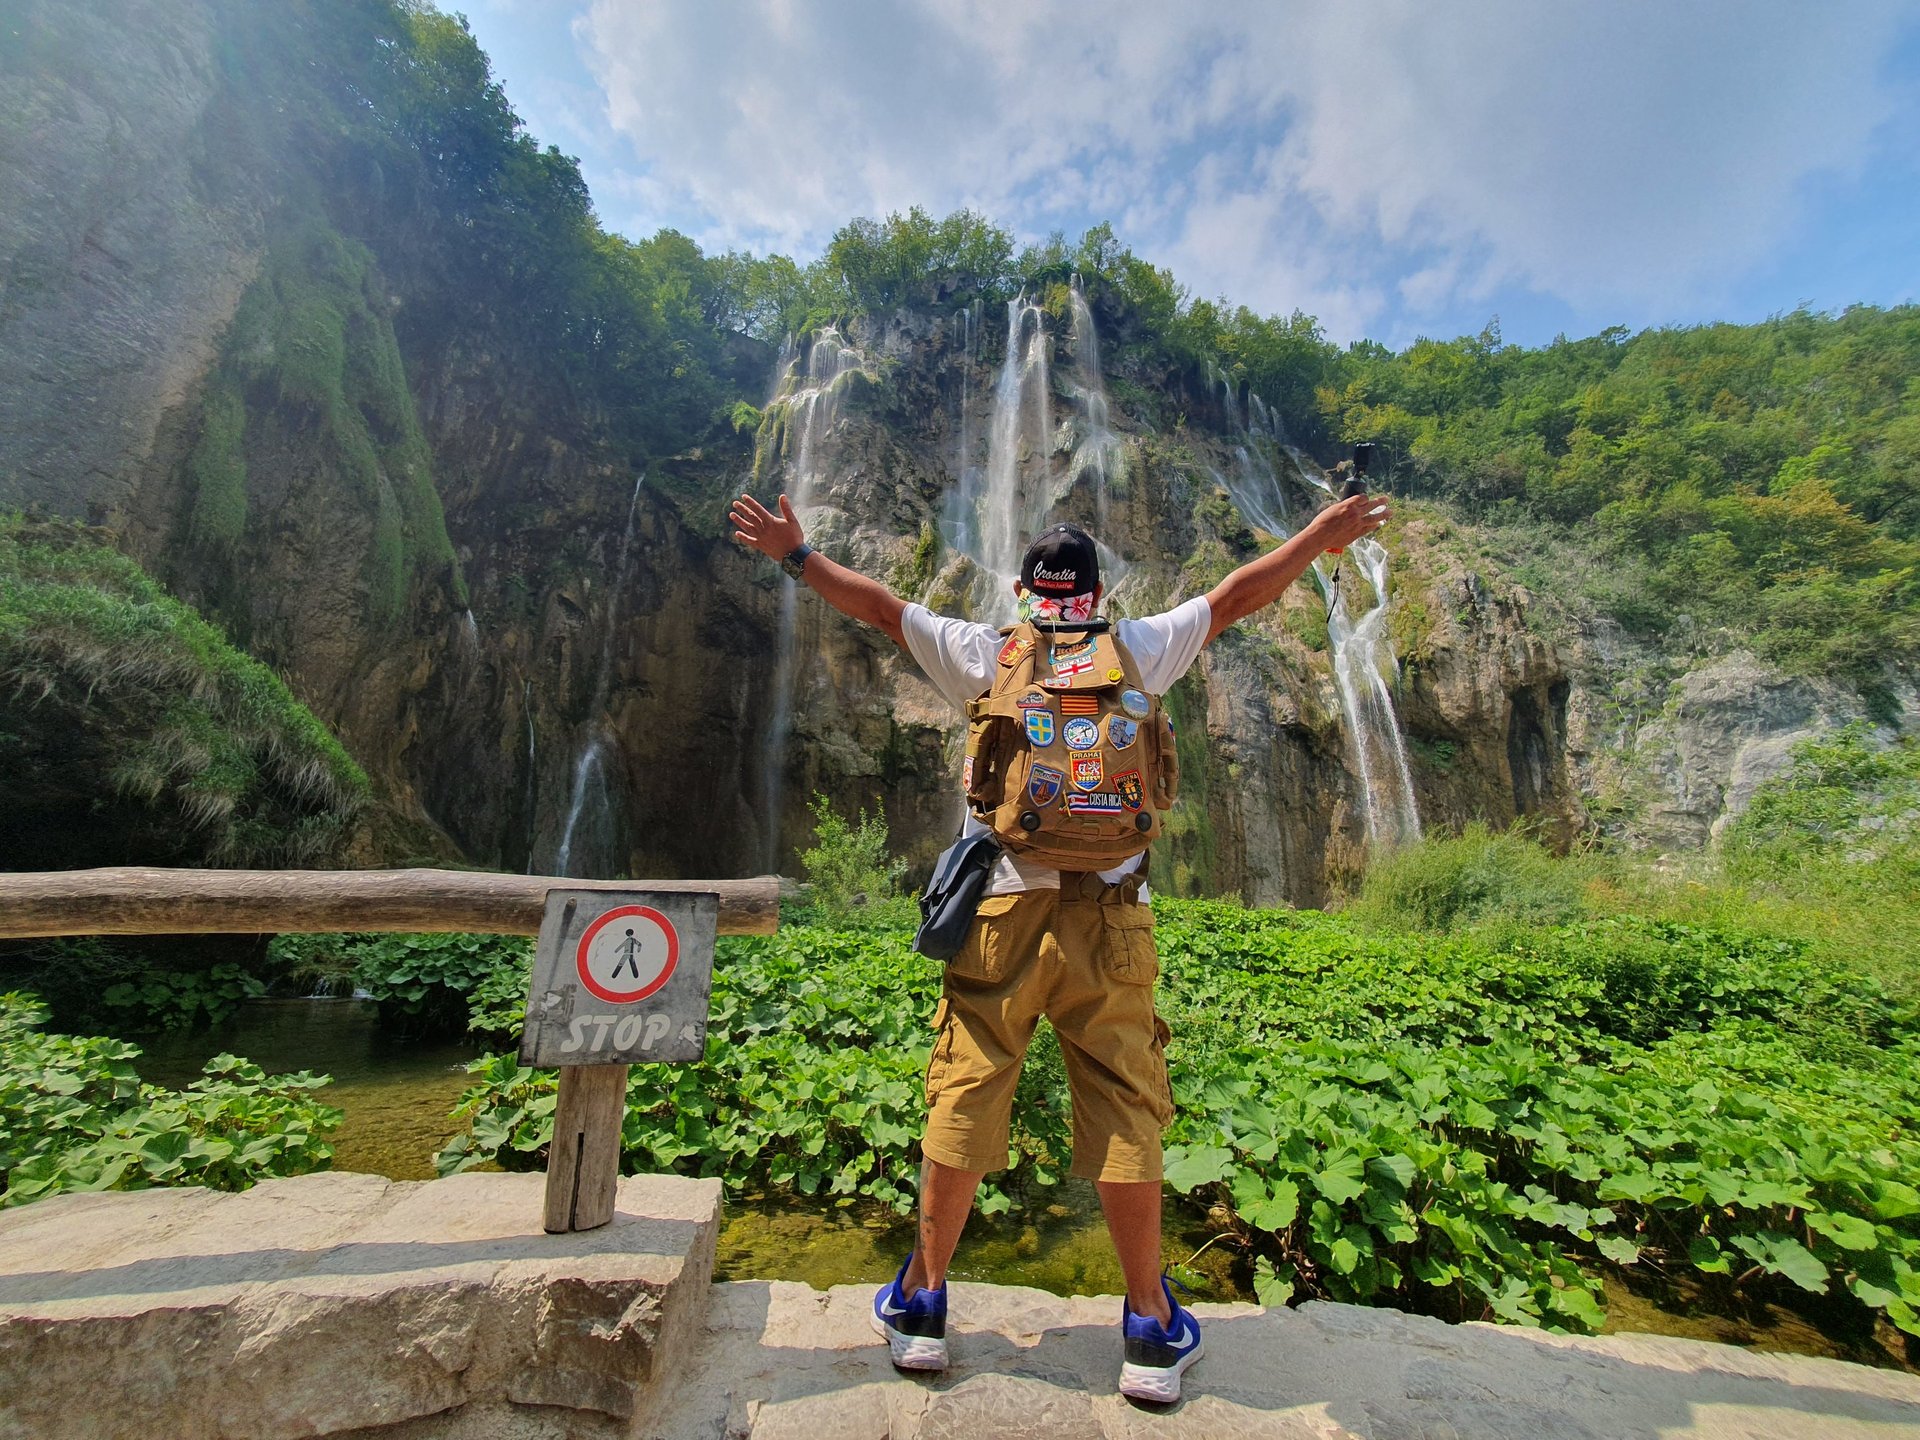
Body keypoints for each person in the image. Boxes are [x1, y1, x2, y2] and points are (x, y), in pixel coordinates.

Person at [729, 486, 1389, 1403]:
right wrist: (1320, 535)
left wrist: (797, 555)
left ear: (1023, 590)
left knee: (967, 1086)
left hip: (1001, 909)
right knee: (1125, 1103)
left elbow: (879, 608)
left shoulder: (984, 653)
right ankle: (1152, 1329)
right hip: (1111, 914)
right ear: (1098, 592)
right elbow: (1240, 595)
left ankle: (921, 1305)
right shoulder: (1141, 648)